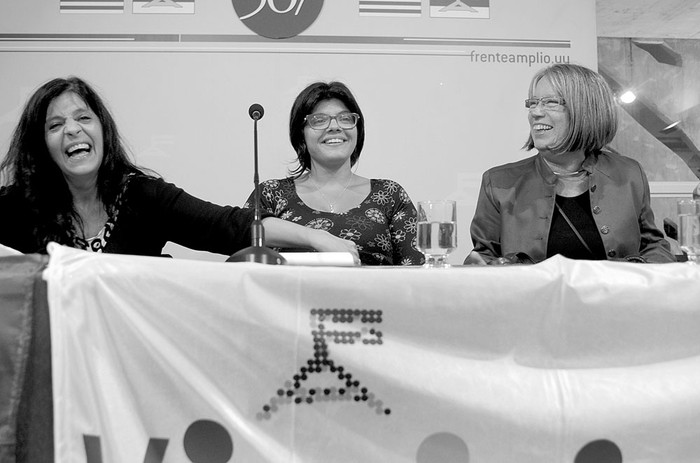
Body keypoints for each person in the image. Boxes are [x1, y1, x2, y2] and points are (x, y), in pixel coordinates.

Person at [0, 76, 358, 260]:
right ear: (41, 145)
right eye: (55, 125)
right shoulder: (15, 207)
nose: (73, 129)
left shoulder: (143, 195)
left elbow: (231, 226)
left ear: (102, 130)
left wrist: (318, 237)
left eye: (83, 117)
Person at [467, 63, 675, 264]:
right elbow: (483, 258)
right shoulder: (498, 182)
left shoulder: (629, 173)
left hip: (615, 298)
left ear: (585, 110)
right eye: (532, 103)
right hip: (534, 300)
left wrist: (633, 272)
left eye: (550, 102)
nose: (535, 112)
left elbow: (654, 245)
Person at [245, 81, 424, 266]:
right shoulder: (271, 194)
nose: (334, 127)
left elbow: (418, 272)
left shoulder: (389, 195)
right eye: (319, 120)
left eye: (345, 118)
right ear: (301, 134)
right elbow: (243, 257)